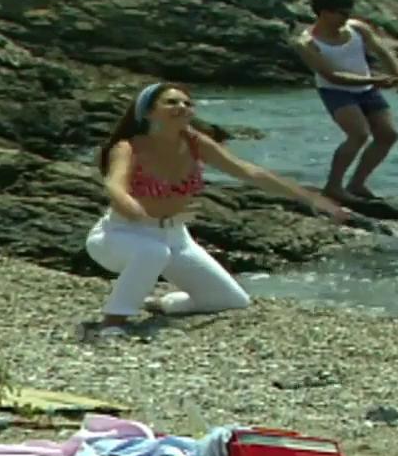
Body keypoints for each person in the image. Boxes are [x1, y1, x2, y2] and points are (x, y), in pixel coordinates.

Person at [86, 82, 350, 338]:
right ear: (148, 112)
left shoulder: (195, 143)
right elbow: (115, 186)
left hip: (176, 237)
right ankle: (113, 322)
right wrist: (136, 211)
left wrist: (312, 199)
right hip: (120, 235)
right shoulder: (128, 147)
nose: (182, 107)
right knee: (153, 252)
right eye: (171, 102)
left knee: (229, 299)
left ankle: (162, 303)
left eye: (187, 103)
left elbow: (249, 172)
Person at [291, 0, 398, 202]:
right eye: (341, 13)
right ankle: (333, 186)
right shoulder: (306, 43)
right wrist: (374, 80)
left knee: (388, 135)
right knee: (358, 134)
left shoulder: (357, 28)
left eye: (348, 12)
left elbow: (383, 52)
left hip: (366, 89)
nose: (346, 17)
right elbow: (332, 76)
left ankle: (357, 184)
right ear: (324, 13)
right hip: (335, 91)